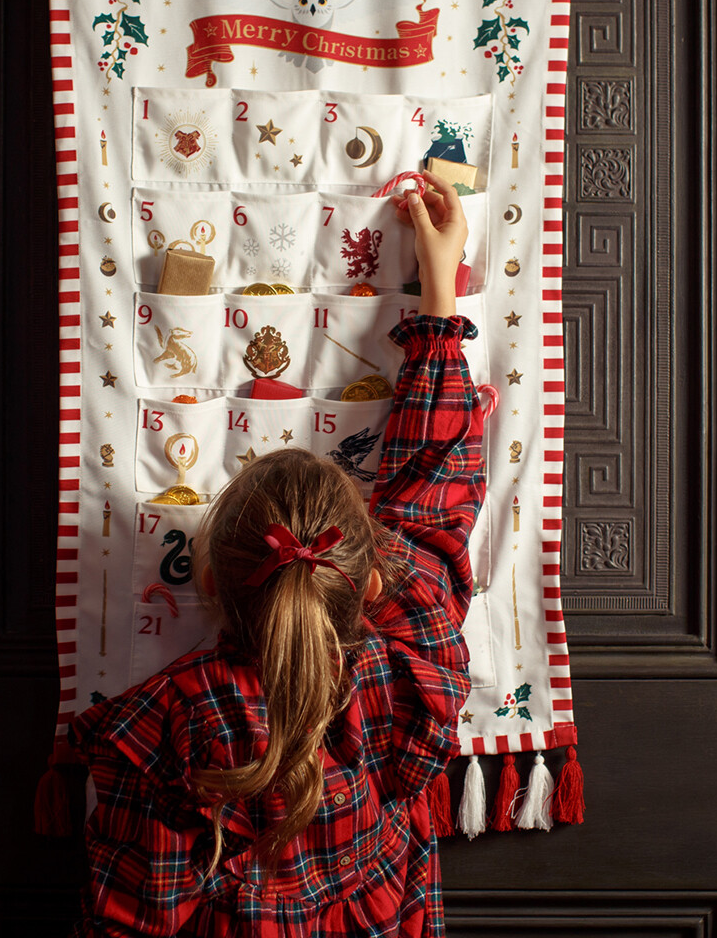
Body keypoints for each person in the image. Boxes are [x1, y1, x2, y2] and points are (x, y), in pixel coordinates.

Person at [71, 169, 489, 936]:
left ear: (211, 584)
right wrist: (440, 293)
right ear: (370, 585)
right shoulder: (413, 657)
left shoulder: (174, 719)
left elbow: (138, 919)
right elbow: (438, 486)